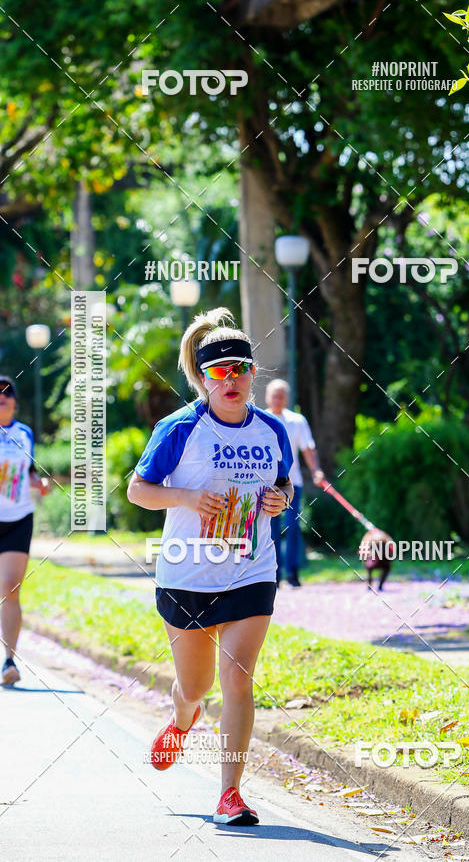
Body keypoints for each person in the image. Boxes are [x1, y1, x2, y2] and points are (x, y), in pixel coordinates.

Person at [127, 307, 293, 827]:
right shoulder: (179, 428)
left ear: (251, 374)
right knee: (195, 688)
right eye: (220, 372)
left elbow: (285, 484)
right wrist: (190, 496)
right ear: (202, 377)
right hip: (187, 574)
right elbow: (138, 491)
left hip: (251, 569)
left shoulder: (270, 430)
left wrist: (279, 500)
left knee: (238, 678)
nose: (232, 380)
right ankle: (182, 718)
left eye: (240, 369)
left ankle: (230, 795)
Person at [0, 375, 50, 685]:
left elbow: (29, 472)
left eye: (7, 393)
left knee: (10, 587)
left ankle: (8, 662)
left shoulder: (25, 434)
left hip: (19, 518)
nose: (1, 397)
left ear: (15, 402)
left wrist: (39, 484)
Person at [265, 379, 324, 588]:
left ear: (286, 398)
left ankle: (293, 573)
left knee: (292, 527)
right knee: (270, 530)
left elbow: (308, 448)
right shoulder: (260, 420)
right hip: (266, 486)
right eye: (274, 395)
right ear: (267, 397)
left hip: (293, 483)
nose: (277, 399)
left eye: (281, 396)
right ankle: (274, 575)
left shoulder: (297, 421)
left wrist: (316, 471)